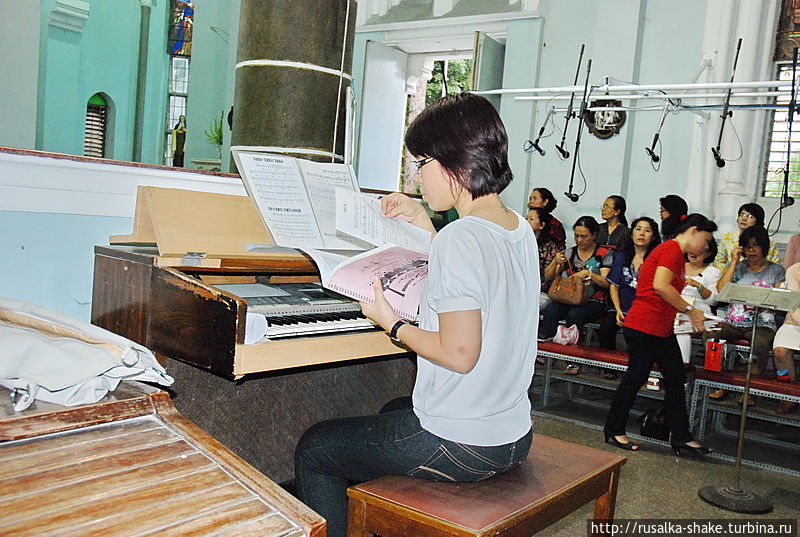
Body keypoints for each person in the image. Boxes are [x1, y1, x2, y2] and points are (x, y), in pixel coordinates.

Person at [294, 93, 539, 537]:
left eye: (421, 162)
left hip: (463, 444)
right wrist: (426, 223)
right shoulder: (517, 227)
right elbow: (480, 278)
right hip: (512, 434)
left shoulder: (460, 238)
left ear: (452, 163)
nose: (415, 176)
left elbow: (460, 353)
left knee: (315, 448)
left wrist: (393, 323)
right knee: (393, 409)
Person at [604, 214, 716, 456]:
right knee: (637, 376)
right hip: (644, 325)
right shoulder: (671, 249)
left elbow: (664, 287)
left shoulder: (674, 253)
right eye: (706, 240)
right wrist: (691, 310)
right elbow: (660, 286)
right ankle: (614, 429)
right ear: (694, 231)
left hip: (659, 326)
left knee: (676, 377)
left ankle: (681, 437)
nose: (706, 247)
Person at [704, 226, 786, 403]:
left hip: (762, 324)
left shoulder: (776, 270)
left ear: (764, 247)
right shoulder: (737, 268)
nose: (751, 250)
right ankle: (721, 383)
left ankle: (750, 389)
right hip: (733, 322)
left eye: (756, 246)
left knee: (760, 343)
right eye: (747, 246)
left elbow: (780, 302)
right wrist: (733, 262)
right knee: (711, 335)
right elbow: (720, 291)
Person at [539, 216, 612, 373]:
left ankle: (572, 360)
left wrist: (590, 274)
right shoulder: (569, 253)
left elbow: (607, 282)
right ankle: (548, 353)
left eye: (584, 236)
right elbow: (549, 276)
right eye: (577, 236)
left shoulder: (603, 254)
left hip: (594, 300)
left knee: (575, 315)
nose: (579, 240)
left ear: (594, 235)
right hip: (568, 296)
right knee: (552, 311)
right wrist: (555, 262)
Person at [598, 217, 661, 353]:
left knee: (635, 335)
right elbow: (614, 285)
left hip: (644, 311)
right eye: (638, 229)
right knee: (606, 328)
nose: (642, 233)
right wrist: (618, 310)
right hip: (620, 307)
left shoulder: (657, 260)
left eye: (647, 230)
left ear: (653, 236)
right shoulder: (622, 256)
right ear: (631, 234)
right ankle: (610, 370)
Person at [676, 239, 721, 364]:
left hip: (699, 313)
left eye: (700, 250)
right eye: (692, 249)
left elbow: (713, 301)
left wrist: (698, 286)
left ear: (708, 254)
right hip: (676, 310)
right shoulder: (678, 266)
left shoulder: (712, 271)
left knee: (681, 332)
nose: (694, 253)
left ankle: (682, 370)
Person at [713, 203, 780, 271]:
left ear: (758, 221)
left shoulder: (769, 241)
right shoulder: (728, 238)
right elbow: (718, 262)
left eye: (750, 216)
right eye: (742, 215)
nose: (744, 218)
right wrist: (730, 271)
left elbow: (775, 266)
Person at [772, 262, 800, 413]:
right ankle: (788, 396)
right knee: (780, 351)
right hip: (795, 321)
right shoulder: (795, 270)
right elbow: (794, 306)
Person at [528, 206, 559, 311]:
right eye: (526, 218)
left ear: (542, 225)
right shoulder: (519, 244)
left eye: (531, 219)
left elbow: (547, 277)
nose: (527, 222)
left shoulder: (550, 247)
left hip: (540, 292)